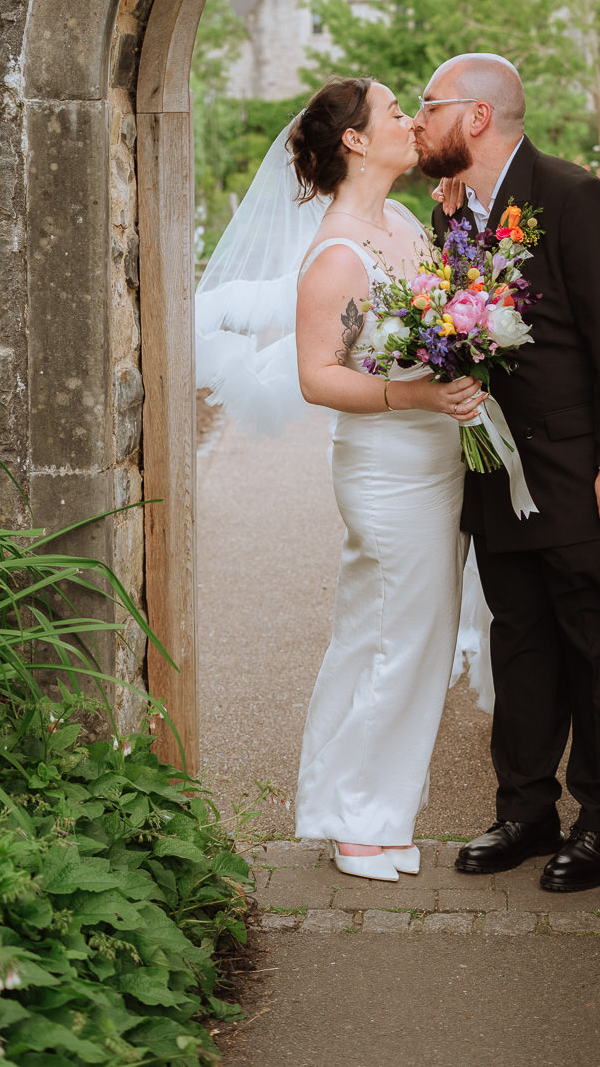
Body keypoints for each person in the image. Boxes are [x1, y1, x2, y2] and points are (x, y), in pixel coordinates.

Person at [196, 76, 483, 884]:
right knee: (396, 637)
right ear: (355, 140)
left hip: (436, 454)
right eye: (395, 111)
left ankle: (371, 809)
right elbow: (319, 376)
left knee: (408, 638)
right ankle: (358, 817)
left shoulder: (400, 221)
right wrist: (417, 393)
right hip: (388, 467)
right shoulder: (335, 254)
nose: (407, 120)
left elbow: (448, 319)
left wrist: (459, 233)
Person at [414, 53, 600, 894]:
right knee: (517, 644)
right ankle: (524, 812)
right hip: (498, 475)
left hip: (586, 476)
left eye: (429, 106)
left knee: (599, 647)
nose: (417, 122)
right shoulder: (454, 215)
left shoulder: (574, 197)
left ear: (476, 117)